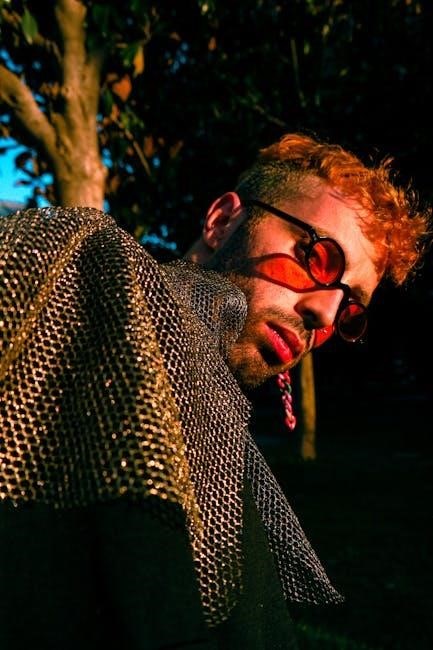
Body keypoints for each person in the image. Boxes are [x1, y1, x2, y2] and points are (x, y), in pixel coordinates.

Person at [0, 133, 429, 649]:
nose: (324, 312)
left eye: (350, 308)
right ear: (222, 221)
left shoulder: (226, 440)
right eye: (317, 257)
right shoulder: (93, 264)